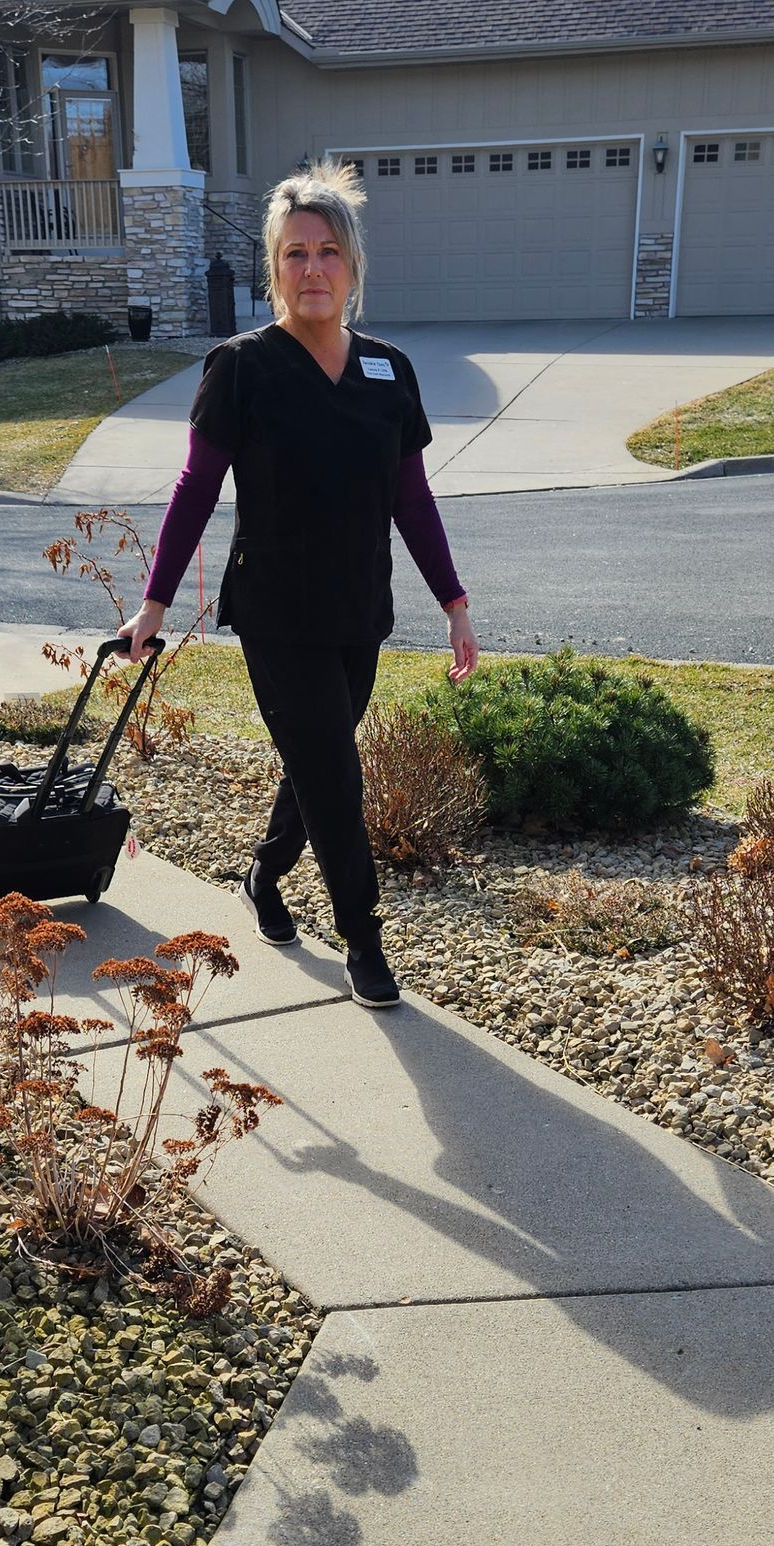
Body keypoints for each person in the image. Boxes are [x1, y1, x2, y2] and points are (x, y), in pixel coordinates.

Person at [116, 159, 477, 1009]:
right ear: (272, 270)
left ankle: (264, 875)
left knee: (316, 762)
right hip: (276, 611)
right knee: (334, 775)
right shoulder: (240, 366)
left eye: (327, 253)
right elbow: (195, 490)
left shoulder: (389, 371)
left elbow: (410, 497)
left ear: (352, 267)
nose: (312, 270)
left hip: (361, 610)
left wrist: (454, 604)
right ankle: (364, 942)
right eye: (293, 255)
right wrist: (155, 602)